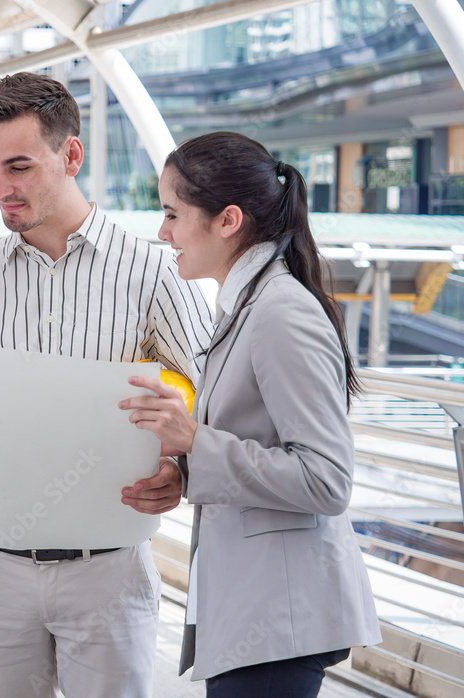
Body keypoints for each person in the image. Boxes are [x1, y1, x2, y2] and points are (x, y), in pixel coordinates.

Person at [0, 72, 215, 698]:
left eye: (19, 166)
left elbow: (215, 399)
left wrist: (184, 476)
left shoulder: (156, 273)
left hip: (108, 570)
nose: (1, 188)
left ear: (71, 154)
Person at [119, 131, 381, 697]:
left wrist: (195, 442)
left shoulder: (280, 312)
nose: (162, 232)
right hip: (259, 615)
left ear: (228, 220)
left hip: (279, 620)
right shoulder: (249, 304)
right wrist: (186, 475)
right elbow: (259, 440)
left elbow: (326, 479)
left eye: (172, 214)